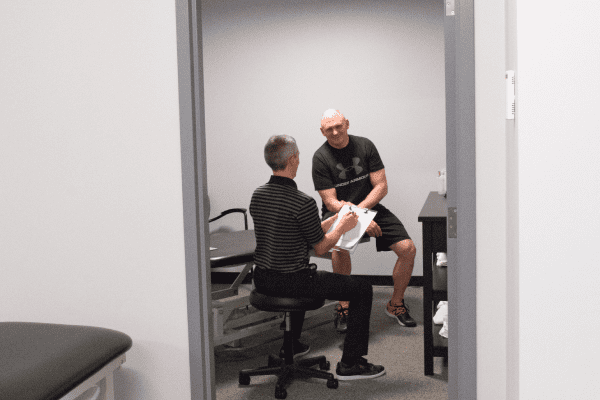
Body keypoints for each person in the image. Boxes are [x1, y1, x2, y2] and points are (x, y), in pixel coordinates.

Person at [250, 134, 385, 380]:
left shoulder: (258, 195)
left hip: (263, 279)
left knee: (302, 272)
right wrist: (342, 228)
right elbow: (321, 248)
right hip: (293, 281)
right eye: (298, 156)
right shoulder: (302, 202)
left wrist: (332, 220)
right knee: (362, 289)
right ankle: (351, 364)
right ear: (292, 159)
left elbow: (294, 231)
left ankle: (291, 346)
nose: (300, 160)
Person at [312, 109, 417, 333]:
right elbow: (331, 202)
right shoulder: (320, 158)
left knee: (408, 249)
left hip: (369, 206)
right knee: (340, 249)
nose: (335, 131)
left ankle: (396, 304)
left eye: (339, 125)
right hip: (338, 213)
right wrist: (356, 218)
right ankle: (344, 306)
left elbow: (381, 186)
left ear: (347, 124)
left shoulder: (365, 146)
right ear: (322, 132)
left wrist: (360, 214)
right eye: (329, 128)